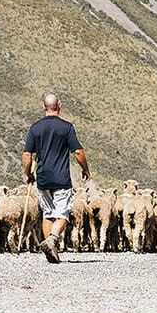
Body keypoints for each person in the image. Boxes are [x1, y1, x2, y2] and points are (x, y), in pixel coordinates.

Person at [23, 92, 90, 263]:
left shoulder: (35, 128)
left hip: (43, 179)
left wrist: (28, 174)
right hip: (61, 178)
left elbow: (27, 155)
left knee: (48, 214)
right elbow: (78, 151)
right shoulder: (66, 128)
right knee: (63, 214)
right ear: (59, 105)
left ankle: (50, 251)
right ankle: (53, 239)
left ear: (43, 107)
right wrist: (86, 170)